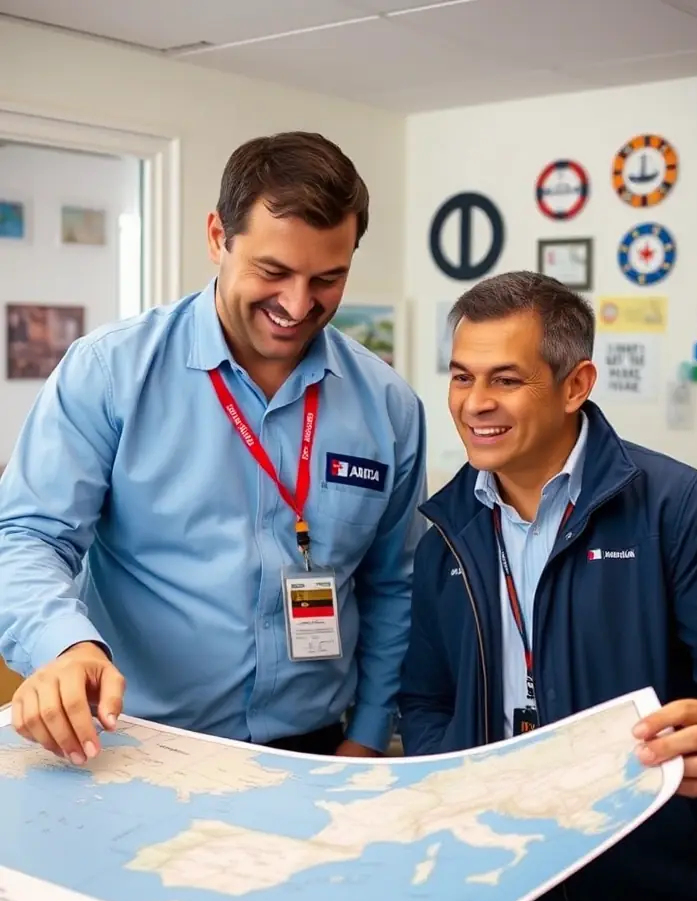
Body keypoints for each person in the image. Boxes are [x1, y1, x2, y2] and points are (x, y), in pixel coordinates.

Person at [397, 270, 697, 901]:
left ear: (576, 384)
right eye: (462, 376)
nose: (475, 404)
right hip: (494, 895)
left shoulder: (680, 507)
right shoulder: (443, 534)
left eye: (506, 378)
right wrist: (454, 788)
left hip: (646, 898)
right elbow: (427, 697)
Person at [0, 130, 426, 765]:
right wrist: (66, 646)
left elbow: (394, 585)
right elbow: (27, 537)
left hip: (314, 753)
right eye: (273, 271)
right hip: (132, 743)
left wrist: (366, 733)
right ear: (216, 238)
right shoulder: (111, 371)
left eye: (327, 279)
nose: (297, 304)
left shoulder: (388, 405)